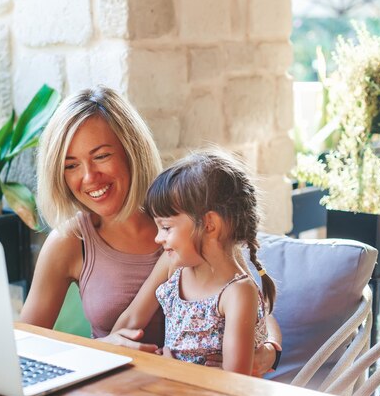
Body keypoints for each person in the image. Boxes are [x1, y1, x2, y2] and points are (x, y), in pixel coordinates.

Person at [19, 86, 281, 374]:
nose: (89, 177)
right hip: (110, 390)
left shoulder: (186, 218)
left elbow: (251, 302)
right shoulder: (70, 241)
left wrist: (269, 353)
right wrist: (102, 348)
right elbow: (26, 345)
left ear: (131, 151)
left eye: (102, 156)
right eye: (71, 165)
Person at [111, 151, 276, 375]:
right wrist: (106, 353)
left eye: (166, 227)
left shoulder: (237, 293)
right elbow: (131, 320)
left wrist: (172, 371)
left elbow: (236, 386)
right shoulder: (173, 266)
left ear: (209, 224)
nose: (158, 238)